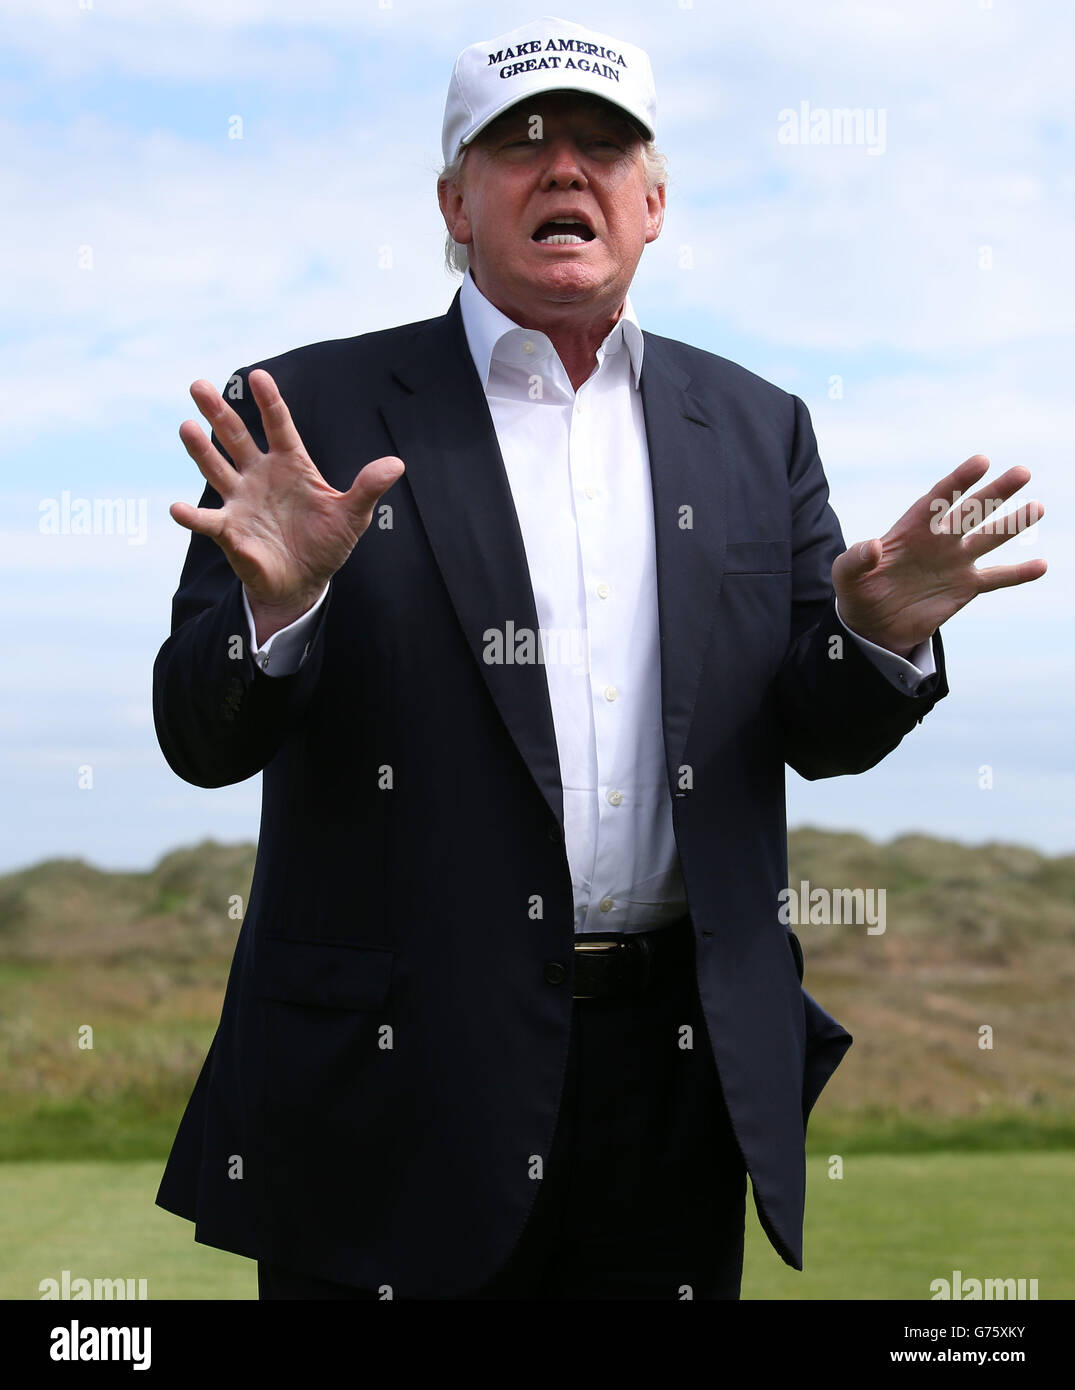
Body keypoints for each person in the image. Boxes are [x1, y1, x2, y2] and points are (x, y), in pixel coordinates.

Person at [153, 16, 1045, 1300]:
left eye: (603, 143)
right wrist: (276, 614)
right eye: (519, 142)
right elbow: (200, 735)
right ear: (454, 199)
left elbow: (814, 728)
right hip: (396, 1083)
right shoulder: (308, 416)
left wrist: (873, 633)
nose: (563, 168)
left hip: (674, 1083)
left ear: (654, 201)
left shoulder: (754, 426)